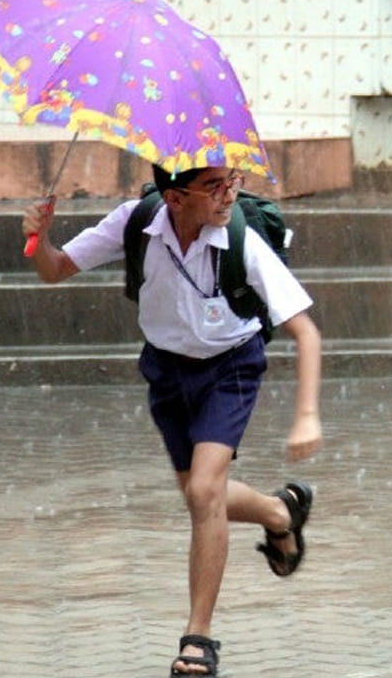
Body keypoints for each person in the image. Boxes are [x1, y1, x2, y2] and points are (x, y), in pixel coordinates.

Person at [22, 164, 324, 676]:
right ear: (175, 198)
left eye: (233, 181)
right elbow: (54, 270)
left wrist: (307, 416)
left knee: (205, 492)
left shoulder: (242, 242)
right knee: (199, 494)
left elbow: (306, 333)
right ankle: (279, 513)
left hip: (230, 366)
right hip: (166, 370)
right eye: (214, 187)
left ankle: (198, 639)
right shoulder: (135, 222)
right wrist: (40, 236)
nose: (229, 194)